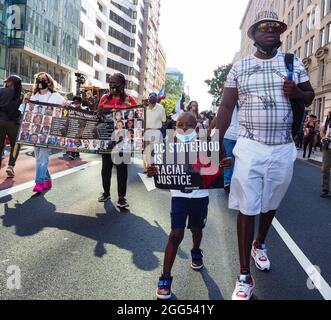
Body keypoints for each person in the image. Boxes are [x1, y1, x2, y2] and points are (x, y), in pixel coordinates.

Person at [216, 11, 315, 300]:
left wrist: (296, 91)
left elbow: (309, 95)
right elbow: (225, 107)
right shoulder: (239, 67)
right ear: (254, 34)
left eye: (275, 28)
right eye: (264, 27)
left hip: (283, 147)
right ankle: (244, 275)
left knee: (270, 202)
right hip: (249, 145)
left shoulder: (292, 62)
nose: (271, 31)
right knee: (247, 206)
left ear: (280, 34)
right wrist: (217, 141)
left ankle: (260, 243)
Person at [147, 112, 231, 300]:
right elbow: (158, 168)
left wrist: (225, 163)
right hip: (179, 197)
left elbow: (219, 164)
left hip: (200, 196)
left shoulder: (207, 146)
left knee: (196, 229)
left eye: (188, 125)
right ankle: (165, 277)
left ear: (197, 126)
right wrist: (152, 171)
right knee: (175, 234)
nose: (184, 128)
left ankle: (195, 250)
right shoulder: (168, 146)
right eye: (180, 124)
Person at [97, 73, 137, 208]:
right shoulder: (103, 99)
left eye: (115, 82)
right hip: (107, 139)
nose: (112, 85)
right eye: (110, 82)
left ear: (122, 84)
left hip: (123, 141)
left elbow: (136, 120)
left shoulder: (129, 100)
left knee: (122, 169)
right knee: (106, 168)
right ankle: (106, 192)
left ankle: (121, 197)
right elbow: (98, 116)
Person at [25, 72, 67, 193]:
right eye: (39, 79)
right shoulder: (34, 96)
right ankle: (47, 180)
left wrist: (65, 105)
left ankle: (39, 182)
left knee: (42, 158)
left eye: (44, 79)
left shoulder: (55, 96)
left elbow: (66, 107)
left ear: (49, 82)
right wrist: (25, 101)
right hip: (34, 132)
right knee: (38, 158)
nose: (41, 81)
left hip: (48, 132)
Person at [0, 75, 23, 177]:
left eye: (7, 82)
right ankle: (10, 166)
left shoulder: (1, 91)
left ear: (10, 82)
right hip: (14, 123)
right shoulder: (21, 95)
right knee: (15, 145)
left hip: (0, 121)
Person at [144, 92, 166, 172]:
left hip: (156, 132)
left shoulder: (161, 108)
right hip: (146, 132)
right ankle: (147, 168)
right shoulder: (144, 108)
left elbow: (164, 121)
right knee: (147, 151)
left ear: (156, 99)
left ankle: (153, 168)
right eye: (151, 96)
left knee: (155, 151)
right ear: (148, 98)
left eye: (154, 97)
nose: (152, 98)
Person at [321, 111, 331, 198]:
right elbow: (322, 129)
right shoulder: (327, 117)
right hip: (327, 147)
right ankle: (325, 189)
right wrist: (323, 137)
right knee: (325, 168)